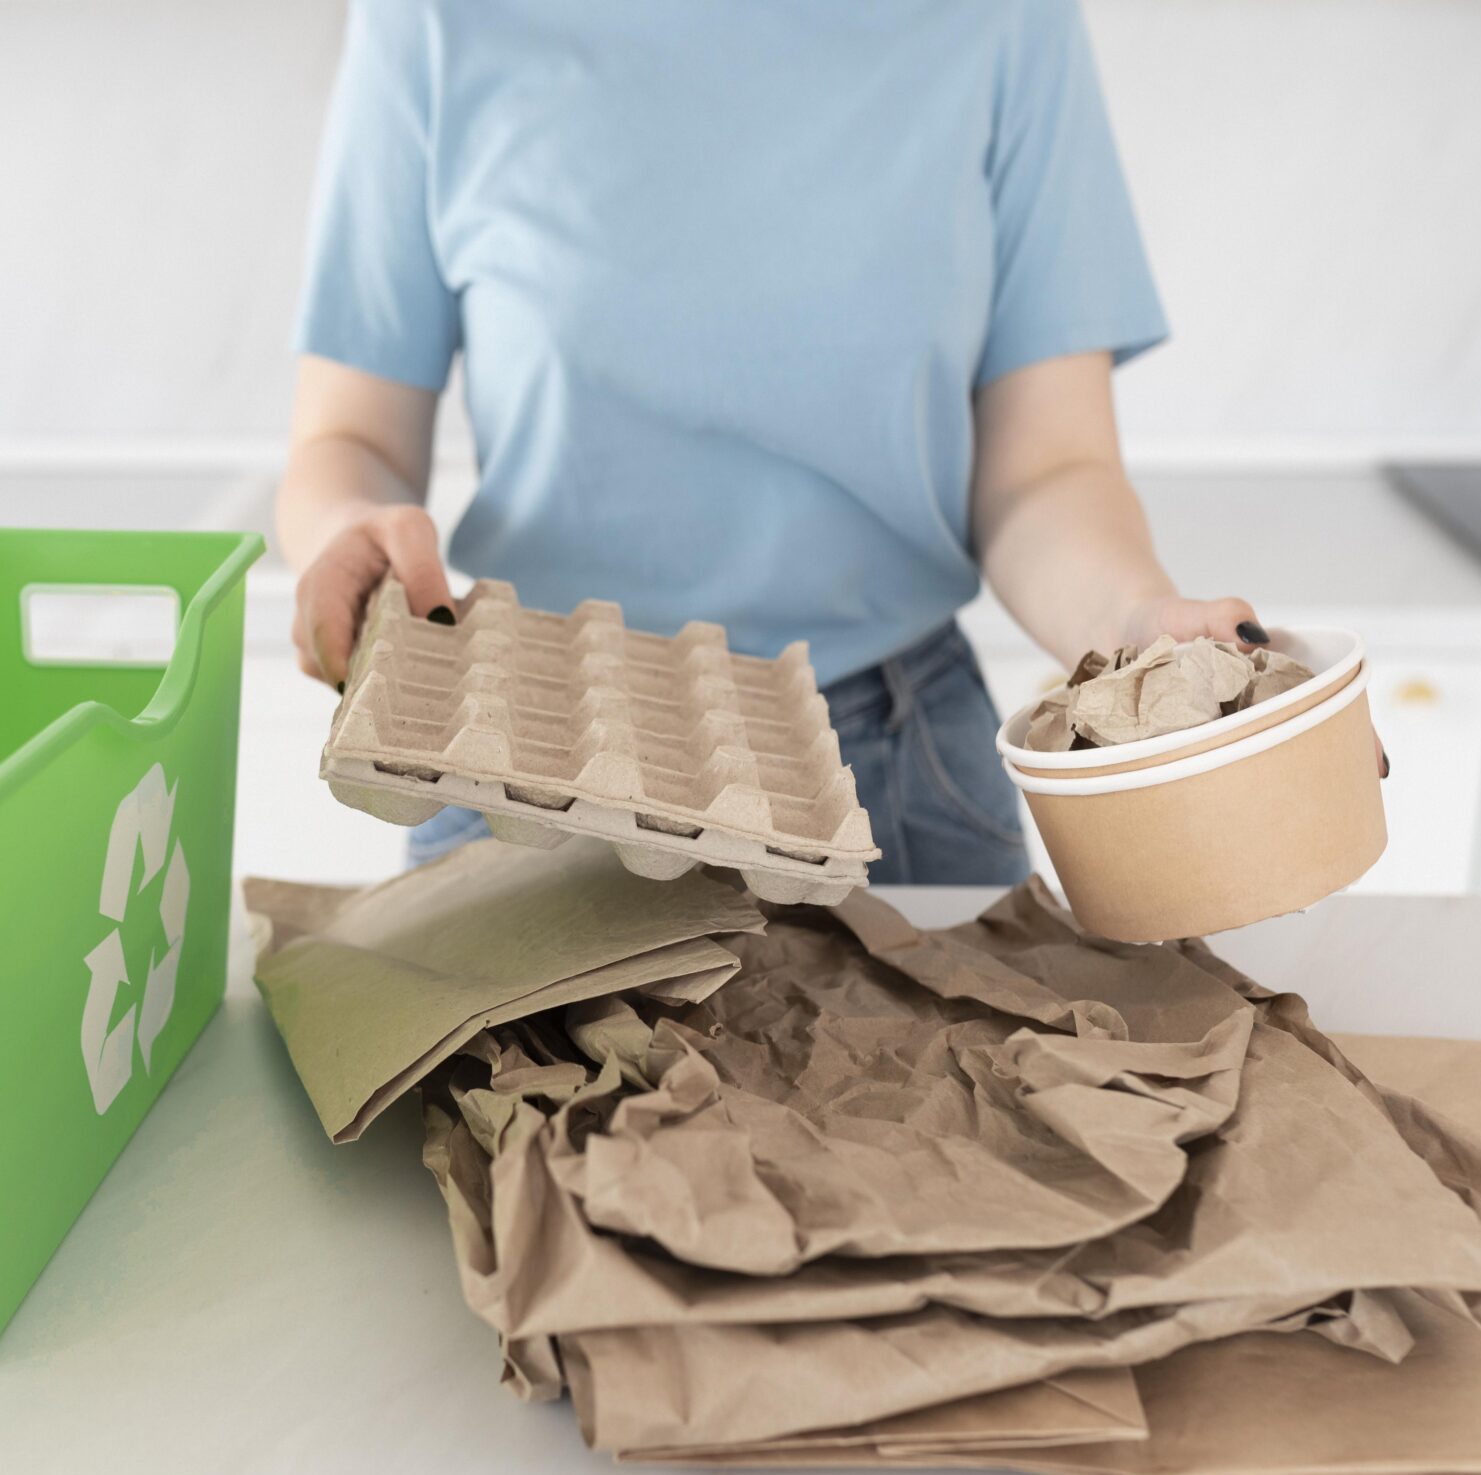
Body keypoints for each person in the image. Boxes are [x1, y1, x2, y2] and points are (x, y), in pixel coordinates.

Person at [279, 0, 1293, 883]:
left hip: (892, 766)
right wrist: (345, 527)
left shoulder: (1004, 18)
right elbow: (348, 434)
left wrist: (1136, 623)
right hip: (516, 754)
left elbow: (1048, 470)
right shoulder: (435, 17)